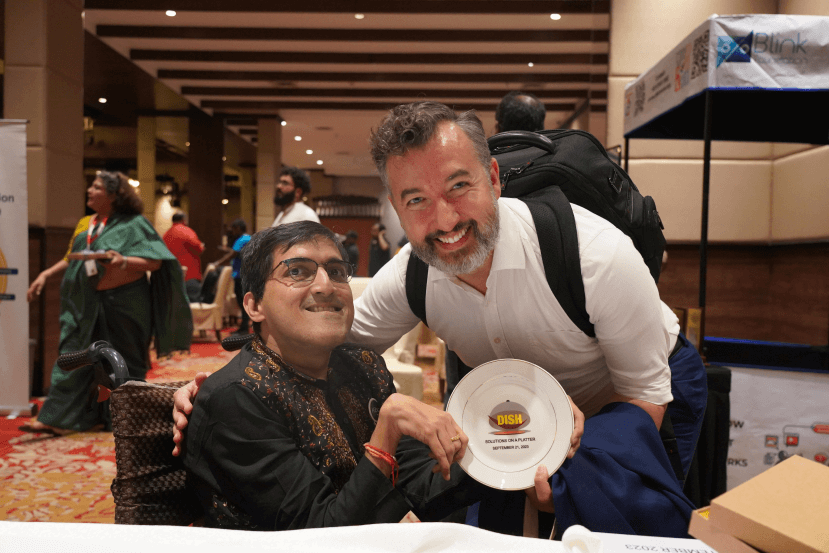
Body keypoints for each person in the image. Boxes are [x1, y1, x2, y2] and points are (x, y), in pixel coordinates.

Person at [174, 102, 704, 538]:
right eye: (417, 201)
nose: (445, 219)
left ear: (494, 178)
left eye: (459, 187)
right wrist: (202, 390)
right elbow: (316, 336)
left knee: (630, 527)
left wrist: (592, 471)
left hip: (637, 394)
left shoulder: (596, 257)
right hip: (521, 416)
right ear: (397, 212)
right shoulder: (412, 275)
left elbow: (645, 396)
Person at [180, 221, 490, 529]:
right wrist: (386, 432)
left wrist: (510, 462)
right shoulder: (239, 398)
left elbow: (418, 483)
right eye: (297, 271)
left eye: (337, 272)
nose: (326, 286)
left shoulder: (361, 366)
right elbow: (322, 536)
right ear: (254, 305)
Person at [23, 171, 191, 435]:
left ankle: (126, 420)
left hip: (124, 303)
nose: (89, 190)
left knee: (125, 362)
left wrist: (121, 260)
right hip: (86, 303)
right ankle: (57, 418)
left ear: (114, 195)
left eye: (97, 187)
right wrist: (45, 274)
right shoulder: (86, 223)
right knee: (75, 356)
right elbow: (72, 257)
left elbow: (155, 261)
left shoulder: (134, 224)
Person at [210, 219, 251, 334]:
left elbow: (232, 255)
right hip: (246, 273)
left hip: (240, 274)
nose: (232, 231)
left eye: (234, 229)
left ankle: (244, 328)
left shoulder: (241, 239)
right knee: (245, 301)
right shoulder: (248, 238)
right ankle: (244, 326)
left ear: (238, 228)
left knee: (242, 301)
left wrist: (217, 263)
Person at [163, 211, 205, 301]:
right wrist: (201, 246)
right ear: (184, 220)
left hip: (172, 277)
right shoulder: (187, 231)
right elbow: (199, 249)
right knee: (193, 308)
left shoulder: (166, 235)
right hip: (190, 276)